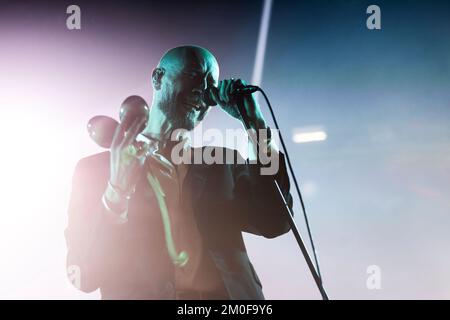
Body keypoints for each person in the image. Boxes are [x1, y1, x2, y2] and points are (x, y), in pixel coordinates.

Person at [65, 45, 293, 300]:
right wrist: (116, 192)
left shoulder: (223, 162)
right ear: (158, 77)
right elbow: (84, 275)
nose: (202, 90)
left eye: (211, 83)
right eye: (194, 75)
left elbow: (276, 222)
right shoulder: (94, 171)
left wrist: (256, 125)